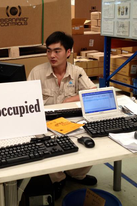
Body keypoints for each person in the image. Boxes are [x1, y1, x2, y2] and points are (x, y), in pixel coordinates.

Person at [27, 31, 98, 199]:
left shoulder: (77, 72)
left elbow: (92, 92)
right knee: (42, 144)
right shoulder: (37, 72)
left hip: (71, 121)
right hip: (45, 123)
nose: (52, 55)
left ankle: (76, 174)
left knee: (94, 142)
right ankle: (58, 179)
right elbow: (27, 99)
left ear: (68, 52)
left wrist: (70, 100)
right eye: (49, 50)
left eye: (57, 51)